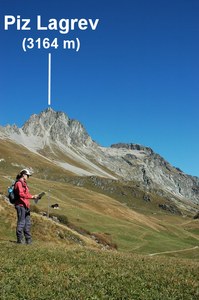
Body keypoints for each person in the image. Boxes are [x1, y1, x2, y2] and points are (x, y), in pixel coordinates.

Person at [14, 169, 38, 244]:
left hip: (26, 206)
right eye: (27, 175)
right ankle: (20, 240)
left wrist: (34, 196)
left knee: (27, 223)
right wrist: (32, 197)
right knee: (21, 223)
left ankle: (28, 240)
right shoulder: (19, 183)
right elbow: (21, 194)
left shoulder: (24, 183)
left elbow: (26, 194)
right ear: (23, 175)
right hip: (20, 205)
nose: (28, 177)